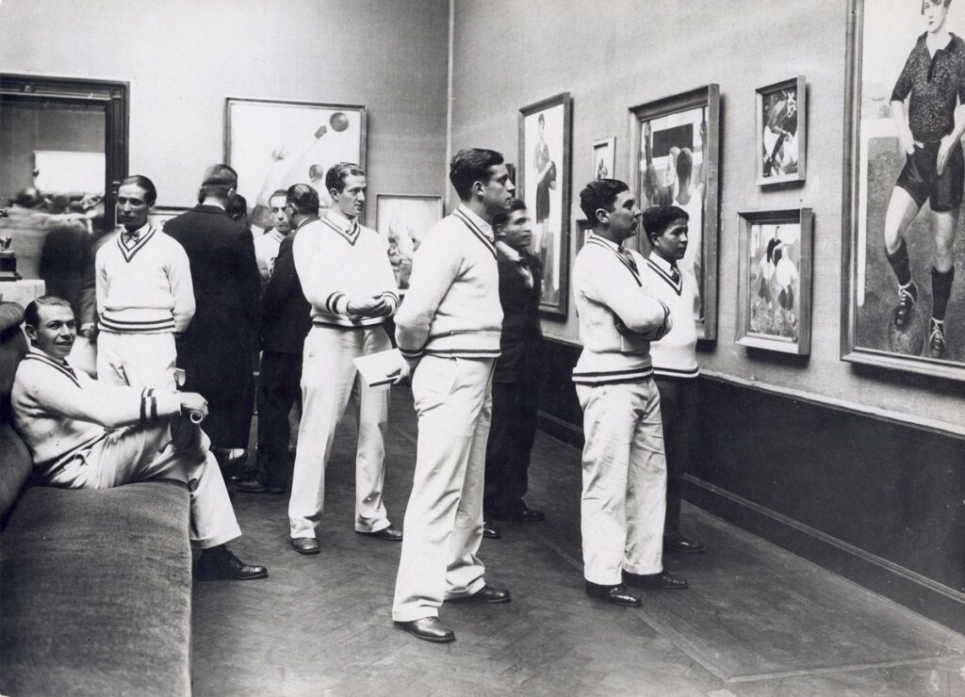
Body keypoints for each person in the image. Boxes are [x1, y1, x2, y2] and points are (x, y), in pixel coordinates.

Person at [11, 296, 267, 581]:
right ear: (32, 333)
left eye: (70, 324)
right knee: (169, 420)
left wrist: (169, 396)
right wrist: (176, 401)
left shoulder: (59, 365)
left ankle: (216, 557)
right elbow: (103, 413)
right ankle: (213, 448)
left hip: (99, 455)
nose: (66, 333)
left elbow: (107, 393)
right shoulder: (36, 375)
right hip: (80, 471)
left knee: (200, 461)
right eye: (55, 326)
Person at [391, 148, 515, 644]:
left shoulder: (481, 237)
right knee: (438, 488)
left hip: (478, 368)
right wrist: (415, 357)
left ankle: (459, 576)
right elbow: (410, 317)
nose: (510, 188)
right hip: (451, 369)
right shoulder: (449, 236)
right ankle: (413, 604)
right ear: (478, 188)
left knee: (469, 485)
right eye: (503, 181)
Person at [572, 179, 688, 609]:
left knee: (649, 476)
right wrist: (650, 318)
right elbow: (643, 314)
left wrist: (650, 318)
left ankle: (644, 565)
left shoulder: (631, 257)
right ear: (603, 216)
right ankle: (602, 576)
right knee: (607, 483)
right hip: (608, 381)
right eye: (628, 205)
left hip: (641, 375)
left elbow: (657, 313)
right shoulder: (595, 261)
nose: (637, 212)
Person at [288, 166, 402, 555]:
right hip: (331, 335)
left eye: (364, 190)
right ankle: (303, 521)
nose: (360, 197)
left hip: (375, 339)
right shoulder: (310, 235)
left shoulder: (370, 238)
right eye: (353, 190)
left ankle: (371, 515)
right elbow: (313, 287)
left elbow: (390, 284)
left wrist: (386, 300)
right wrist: (349, 303)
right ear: (333, 193)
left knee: (376, 428)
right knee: (318, 430)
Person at [164, 165, 260, 470]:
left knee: (186, 392)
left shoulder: (173, 227)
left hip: (184, 332)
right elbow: (250, 292)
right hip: (227, 335)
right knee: (224, 399)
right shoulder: (237, 232)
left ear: (202, 189)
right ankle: (220, 464)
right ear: (231, 193)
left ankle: (184, 459)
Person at [883, 0, 965, 359]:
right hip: (919, 159)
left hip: (948, 159)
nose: (929, 12)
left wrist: (953, 138)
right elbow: (897, 97)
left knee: (942, 250)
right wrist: (903, 135)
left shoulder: (961, 51)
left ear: (947, 7)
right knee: (890, 234)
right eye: (925, 6)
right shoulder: (918, 49)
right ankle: (908, 289)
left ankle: (936, 323)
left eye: (935, 5)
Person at [238, 186, 313, 496]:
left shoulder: (294, 241)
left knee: (271, 405)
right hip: (309, 336)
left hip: (284, 338)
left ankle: (270, 476)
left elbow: (278, 292)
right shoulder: (321, 235)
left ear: (294, 209)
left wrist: (260, 321)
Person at [642, 206, 707, 557]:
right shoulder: (643, 274)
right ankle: (646, 535)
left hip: (688, 376)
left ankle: (670, 531)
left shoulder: (686, 275)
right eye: (676, 233)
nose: (684, 239)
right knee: (653, 461)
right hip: (659, 378)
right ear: (655, 238)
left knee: (676, 460)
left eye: (686, 232)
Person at [93, 175, 195, 391]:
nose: (126, 208)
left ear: (151, 205)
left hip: (153, 341)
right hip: (110, 339)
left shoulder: (170, 248)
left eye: (135, 202)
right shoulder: (105, 251)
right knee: (112, 410)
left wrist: (162, 334)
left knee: (155, 410)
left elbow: (185, 305)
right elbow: (102, 300)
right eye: (121, 201)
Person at [483, 199, 546, 524]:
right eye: (519, 222)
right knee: (497, 435)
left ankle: (512, 498)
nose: (527, 228)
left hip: (529, 360)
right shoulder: (490, 263)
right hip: (501, 359)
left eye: (528, 221)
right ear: (500, 229)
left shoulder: (532, 263)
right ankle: (485, 507)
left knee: (523, 433)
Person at [254, 189, 292, 290]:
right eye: (275, 210)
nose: (280, 216)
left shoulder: (303, 240)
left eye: (284, 209)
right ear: (270, 213)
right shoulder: (259, 245)